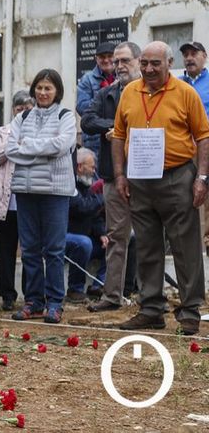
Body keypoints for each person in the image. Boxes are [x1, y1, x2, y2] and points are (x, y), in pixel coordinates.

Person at [113, 41, 209, 336]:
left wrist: (202, 178)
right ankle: (152, 309)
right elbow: (118, 136)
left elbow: (204, 137)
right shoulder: (130, 92)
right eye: (144, 63)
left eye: (156, 63)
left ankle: (190, 310)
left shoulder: (186, 93)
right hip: (140, 179)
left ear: (169, 64)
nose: (149, 69)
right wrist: (120, 175)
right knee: (147, 244)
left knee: (185, 244)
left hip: (177, 176)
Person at [6, 69, 76, 324]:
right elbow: (11, 149)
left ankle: (55, 303)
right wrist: (43, 150)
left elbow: (62, 145)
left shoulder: (66, 116)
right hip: (25, 191)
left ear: (57, 91)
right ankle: (33, 301)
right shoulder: (22, 117)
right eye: (39, 88)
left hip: (56, 192)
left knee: (54, 250)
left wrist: (29, 147)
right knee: (30, 250)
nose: (43, 93)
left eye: (48, 88)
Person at [81, 41, 142, 312]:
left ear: (138, 61)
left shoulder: (151, 91)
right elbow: (87, 120)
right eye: (116, 62)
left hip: (148, 176)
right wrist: (114, 127)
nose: (119, 66)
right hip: (111, 175)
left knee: (149, 236)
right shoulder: (107, 93)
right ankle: (112, 295)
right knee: (117, 236)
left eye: (125, 61)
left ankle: (151, 297)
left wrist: (122, 131)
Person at [0, 90, 33, 310]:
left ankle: (31, 294)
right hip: (5, 201)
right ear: (13, 110)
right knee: (5, 250)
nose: (23, 113)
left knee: (30, 250)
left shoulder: (39, 132)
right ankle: (7, 295)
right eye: (20, 109)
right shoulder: (3, 131)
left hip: (29, 200)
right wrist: (16, 139)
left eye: (27, 109)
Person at [64, 148, 107, 303]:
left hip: (84, 237)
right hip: (64, 239)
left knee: (113, 243)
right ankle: (75, 289)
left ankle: (99, 285)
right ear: (80, 167)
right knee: (84, 243)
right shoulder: (69, 184)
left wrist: (102, 233)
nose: (94, 170)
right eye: (92, 167)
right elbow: (82, 207)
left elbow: (93, 215)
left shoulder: (87, 185)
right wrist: (103, 198)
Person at [178, 41, 209, 255]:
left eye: (193, 53)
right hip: (184, 148)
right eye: (186, 54)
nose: (189, 58)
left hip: (206, 144)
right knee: (188, 196)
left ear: (204, 56)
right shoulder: (177, 84)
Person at [76, 41, 116, 156]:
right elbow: (82, 107)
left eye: (110, 56)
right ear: (96, 59)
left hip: (117, 135)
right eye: (102, 57)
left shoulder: (122, 77)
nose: (106, 60)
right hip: (94, 139)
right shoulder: (87, 79)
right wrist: (105, 101)